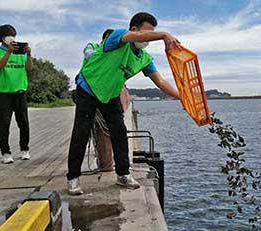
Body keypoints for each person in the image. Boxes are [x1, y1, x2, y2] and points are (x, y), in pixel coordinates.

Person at [67, 12, 180, 195]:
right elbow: (136, 37)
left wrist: (182, 97)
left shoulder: (144, 58)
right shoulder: (118, 36)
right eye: (148, 32)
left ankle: (123, 174)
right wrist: (164, 35)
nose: (149, 38)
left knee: (119, 132)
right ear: (134, 29)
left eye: (154, 32)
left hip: (110, 94)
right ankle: (73, 178)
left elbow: (161, 82)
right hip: (88, 87)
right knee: (81, 131)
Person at [0, 24, 32, 164]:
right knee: (3, 124)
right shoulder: (0, 51)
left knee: (24, 123)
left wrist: (29, 54)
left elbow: (29, 68)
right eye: (8, 35)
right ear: (2, 38)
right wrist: (8, 52)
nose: (11, 37)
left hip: (20, 92)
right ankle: (6, 153)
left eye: (13, 34)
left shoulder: (21, 52)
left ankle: (24, 149)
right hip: (3, 93)